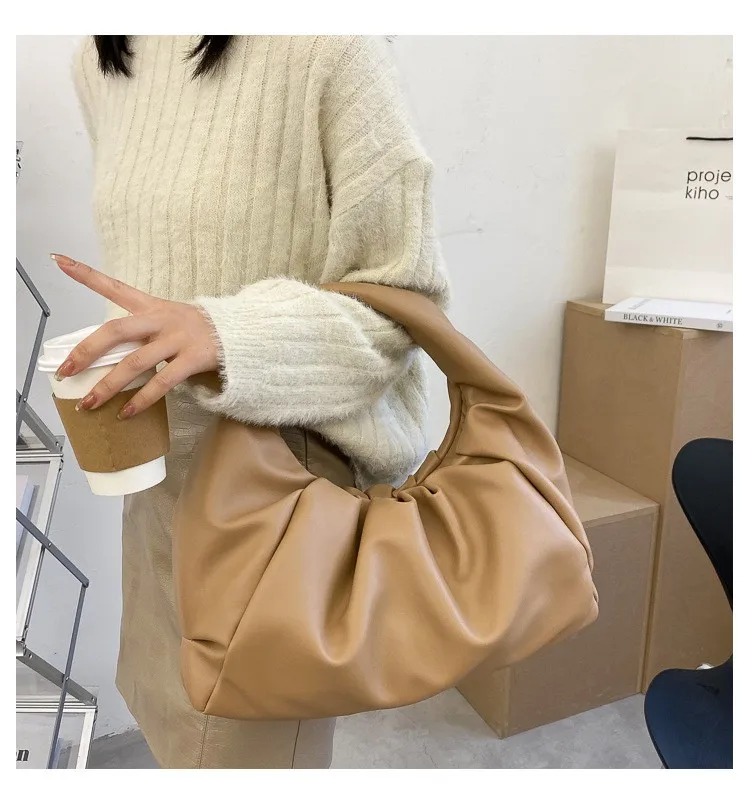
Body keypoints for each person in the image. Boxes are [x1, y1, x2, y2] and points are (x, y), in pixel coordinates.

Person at [58, 34, 449, 769]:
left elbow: (405, 307)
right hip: (156, 474)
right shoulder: (102, 59)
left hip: (278, 490)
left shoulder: (329, 50)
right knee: (171, 725)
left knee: (246, 753)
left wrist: (224, 331)